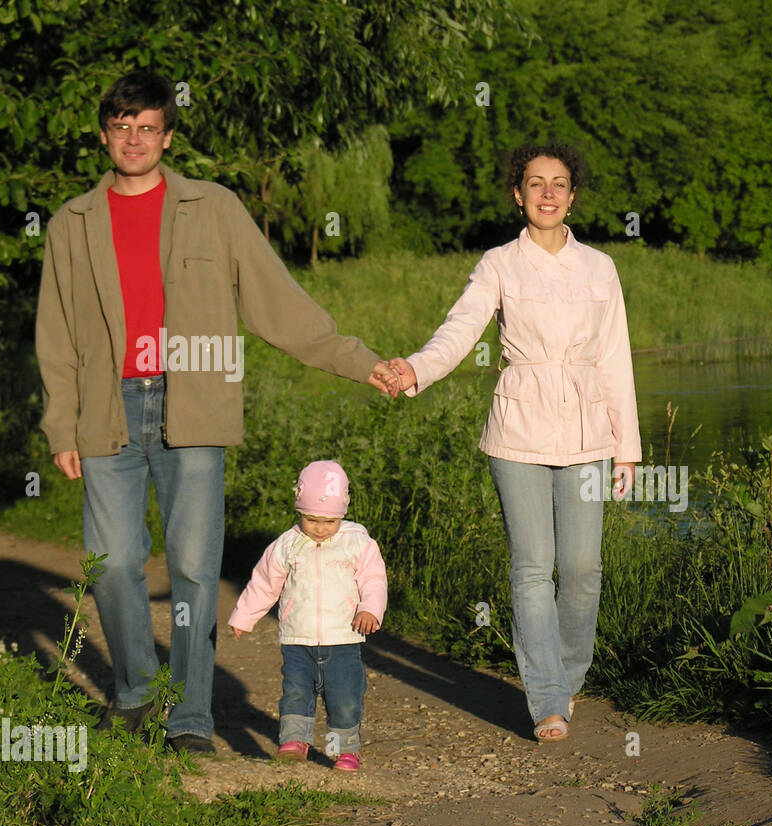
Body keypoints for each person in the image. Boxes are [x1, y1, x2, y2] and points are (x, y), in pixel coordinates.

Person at [34, 71, 400, 753]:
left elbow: (276, 302)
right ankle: (139, 693)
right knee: (111, 564)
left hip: (194, 404)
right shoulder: (70, 224)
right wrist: (61, 424)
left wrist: (359, 359)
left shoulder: (214, 207)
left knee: (197, 568)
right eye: (121, 126)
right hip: (104, 408)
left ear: (167, 136)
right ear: (105, 134)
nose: (134, 138)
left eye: (147, 127)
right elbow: (53, 334)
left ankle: (191, 717)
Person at [388, 144, 641, 742]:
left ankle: (567, 674)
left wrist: (626, 445)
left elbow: (615, 359)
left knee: (581, 570)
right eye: (535, 183)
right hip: (517, 432)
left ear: (572, 196)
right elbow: (460, 328)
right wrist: (417, 370)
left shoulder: (600, 267)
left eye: (559, 184)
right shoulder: (499, 263)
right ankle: (547, 700)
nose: (547, 193)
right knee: (533, 569)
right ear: (518, 195)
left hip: (587, 433)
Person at [227, 461, 386, 771]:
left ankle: (343, 750)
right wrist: (244, 616)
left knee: (345, 696)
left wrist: (370, 608)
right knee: (296, 691)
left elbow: (374, 580)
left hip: (343, 637)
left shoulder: (358, 544)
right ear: (299, 511)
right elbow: (264, 583)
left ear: (342, 512)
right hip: (297, 637)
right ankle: (294, 740)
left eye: (329, 521)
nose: (319, 528)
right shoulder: (287, 545)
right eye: (311, 519)